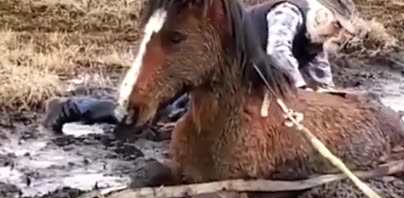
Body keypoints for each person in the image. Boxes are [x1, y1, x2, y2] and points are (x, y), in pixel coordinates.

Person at [43, 0, 362, 133]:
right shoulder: (290, 13)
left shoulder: (315, 35)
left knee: (170, 117)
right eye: (338, 26)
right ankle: (71, 108)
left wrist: (328, 97)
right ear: (324, 13)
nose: (338, 33)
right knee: (161, 109)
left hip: (237, 76)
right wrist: (301, 91)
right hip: (216, 62)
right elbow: (279, 54)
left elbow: (319, 70)